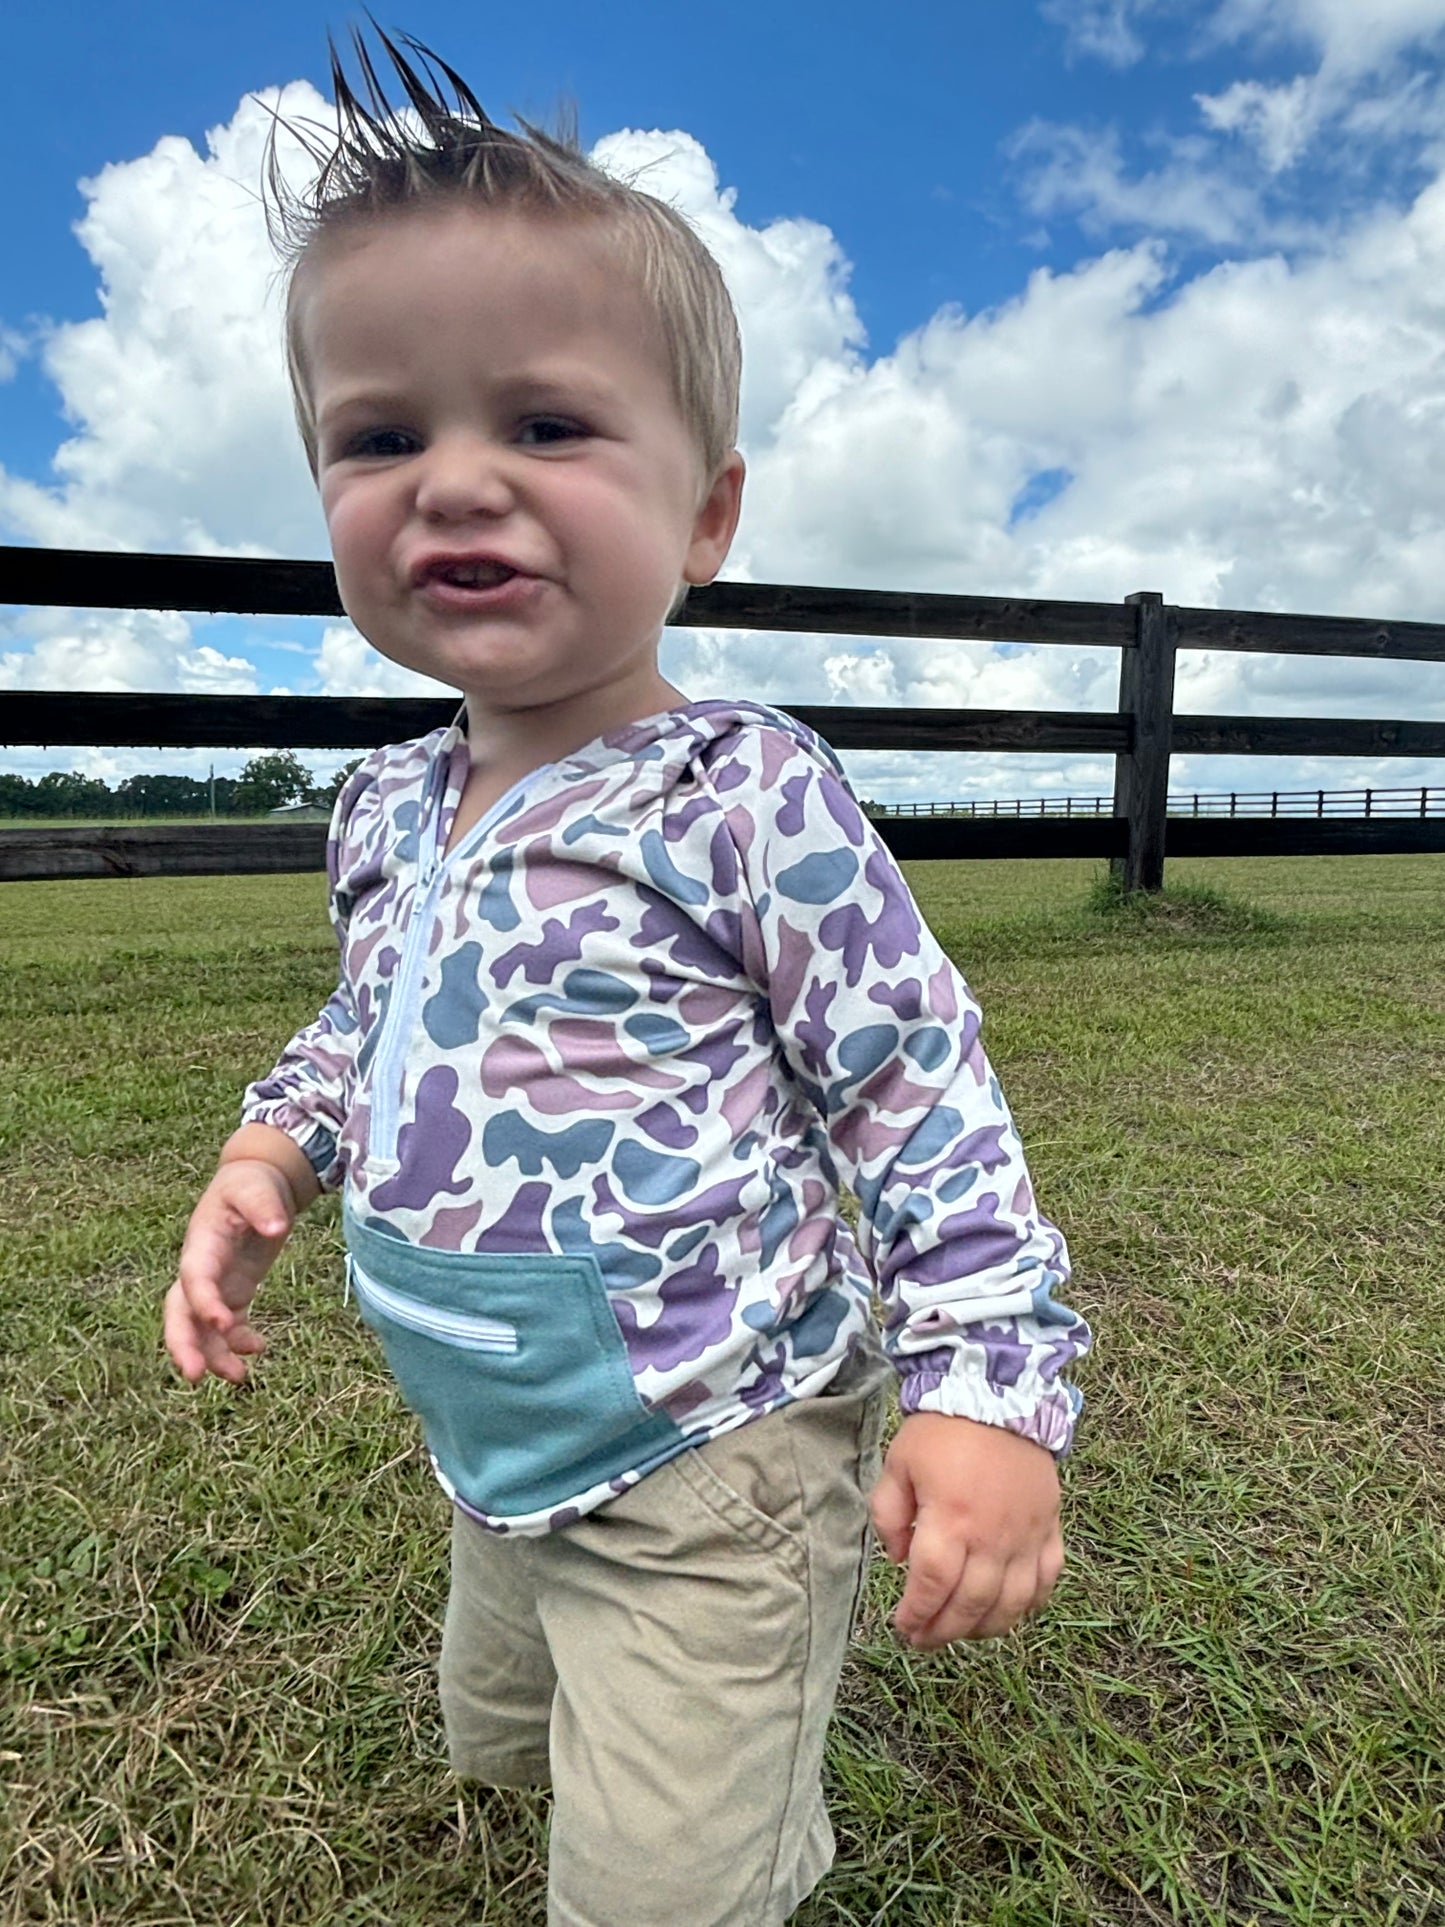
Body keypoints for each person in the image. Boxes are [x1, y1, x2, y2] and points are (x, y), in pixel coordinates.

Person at [164, 29, 1092, 1926]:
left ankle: (728, 1830)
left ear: (705, 517)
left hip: (711, 1442)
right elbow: (374, 1014)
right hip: (496, 1426)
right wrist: (275, 1144)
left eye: (546, 425)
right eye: (381, 436)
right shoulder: (387, 803)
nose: (455, 484)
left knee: (666, 1876)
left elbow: (914, 1082)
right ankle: (612, 1739)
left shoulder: (735, 788)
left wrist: (986, 1388)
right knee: (502, 1728)